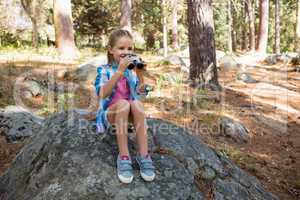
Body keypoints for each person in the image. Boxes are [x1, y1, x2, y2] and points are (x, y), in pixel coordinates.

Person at [94, 29, 155, 184]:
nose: (126, 52)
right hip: (111, 114)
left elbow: (140, 95)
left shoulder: (131, 72)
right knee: (122, 104)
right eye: (121, 48)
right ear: (111, 50)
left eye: (129, 49)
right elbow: (102, 94)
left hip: (128, 116)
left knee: (137, 104)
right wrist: (119, 71)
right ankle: (124, 155)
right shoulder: (104, 70)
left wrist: (141, 76)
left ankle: (143, 155)